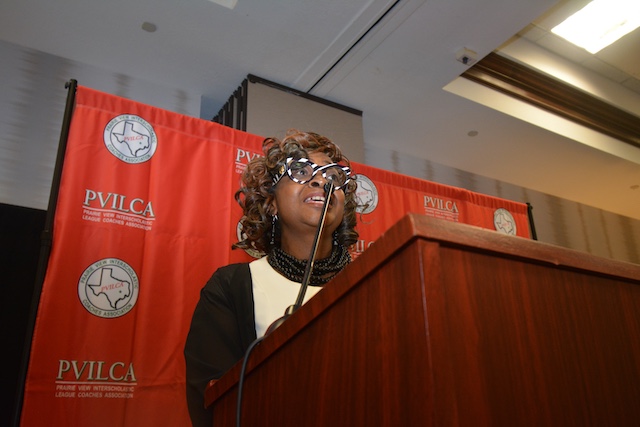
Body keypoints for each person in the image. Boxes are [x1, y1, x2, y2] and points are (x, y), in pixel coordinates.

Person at [184, 130, 359, 426]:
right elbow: (211, 405)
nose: (321, 181)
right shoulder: (231, 287)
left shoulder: (375, 280)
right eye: (300, 171)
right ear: (272, 203)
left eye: (333, 176)